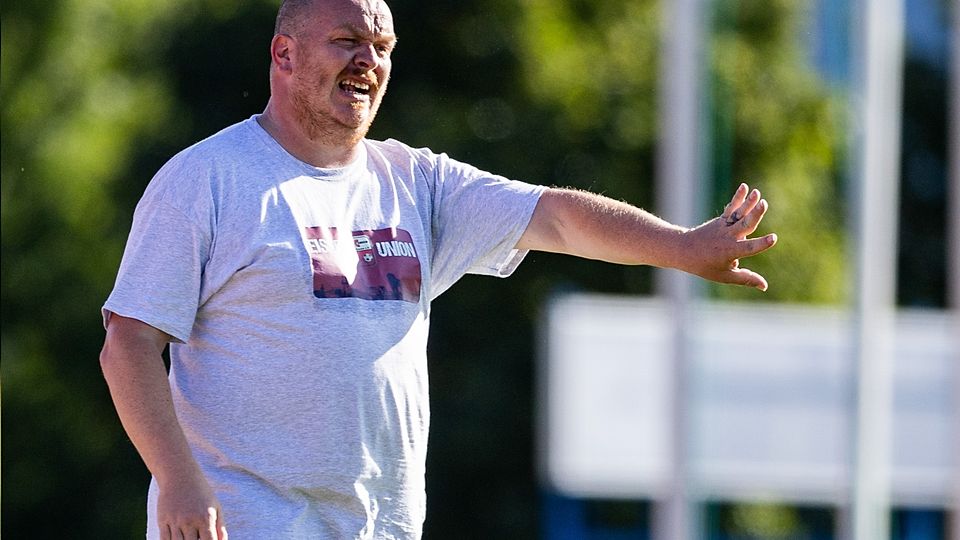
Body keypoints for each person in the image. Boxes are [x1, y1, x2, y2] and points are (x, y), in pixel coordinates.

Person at [99, 0, 778, 538]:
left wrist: (682, 245)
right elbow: (128, 343)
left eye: (384, 47)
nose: (370, 60)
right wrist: (180, 480)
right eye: (348, 41)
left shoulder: (416, 183)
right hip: (246, 526)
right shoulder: (206, 180)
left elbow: (557, 218)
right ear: (284, 53)